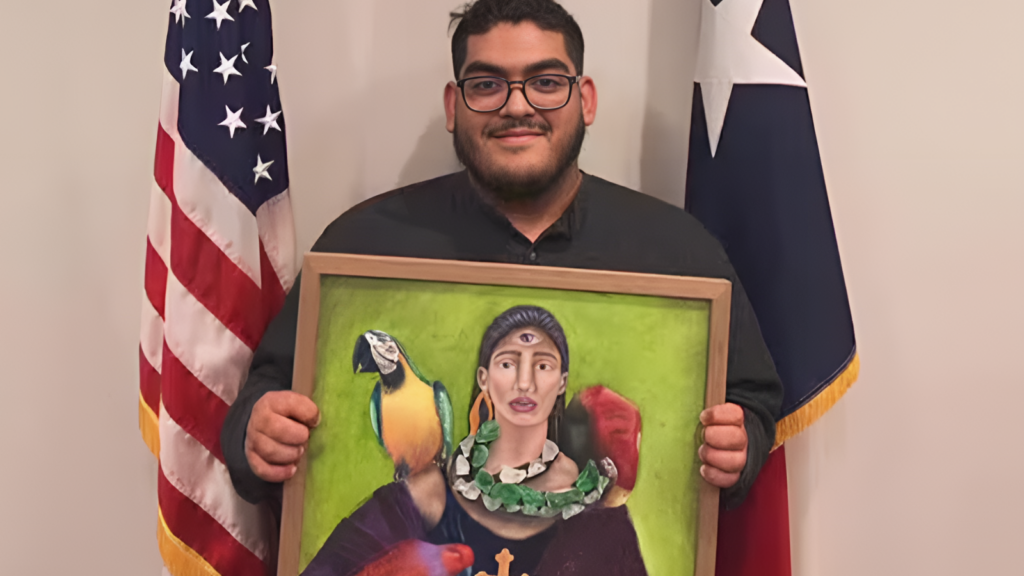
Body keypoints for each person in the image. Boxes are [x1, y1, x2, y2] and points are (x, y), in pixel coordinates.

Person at [222, 0, 782, 521]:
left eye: (545, 82)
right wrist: (257, 433)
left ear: (585, 99)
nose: (517, 106)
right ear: (453, 105)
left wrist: (741, 445)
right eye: (487, 84)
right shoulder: (360, 247)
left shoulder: (678, 252)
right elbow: (267, 391)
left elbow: (752, 401)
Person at [302, 306, 648, 576]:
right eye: (508, 363)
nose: (524, 382)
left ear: (561, 382)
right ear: (484, 378)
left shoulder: (599, 517)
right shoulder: (425, 496)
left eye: (542, 366)